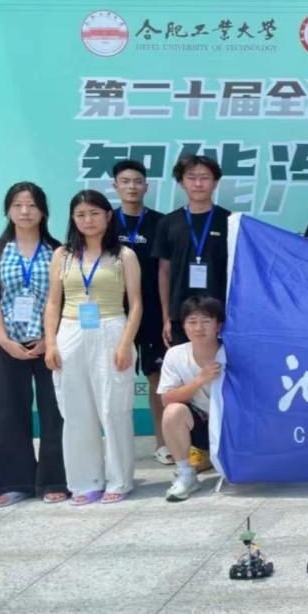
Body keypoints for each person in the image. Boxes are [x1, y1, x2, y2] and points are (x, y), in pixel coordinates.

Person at [43, 191, 141, 505]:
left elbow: (136, 304)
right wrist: (50, 343)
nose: (88, 220)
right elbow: (53, 302)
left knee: (114, 409)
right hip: (70, 332)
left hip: (111, 329)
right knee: (76, 413)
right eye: (81, 214)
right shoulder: (62, 255)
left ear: (108, 216)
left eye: (95, 213)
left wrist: (125, 343)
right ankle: (85, 482)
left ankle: (119, 480)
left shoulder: (124, 255)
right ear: (73, 219)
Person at [0, 182, 67, 506]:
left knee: (54, 411)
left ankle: (56, 480)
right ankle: (11, 482)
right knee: (6, 412)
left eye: (32, 205)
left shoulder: (58, 250)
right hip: (5, 343)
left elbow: (62, 298)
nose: (25, 211)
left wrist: (49, 339)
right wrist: (4, 339)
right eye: (17, 205)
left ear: (43, 211)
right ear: (7, 210)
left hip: (49, 342)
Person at [111, 159, 169, 465]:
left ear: (146, 187)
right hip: (114, 312)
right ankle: (116, 448)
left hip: (153, 312)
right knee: (112, 378)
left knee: (157, 379)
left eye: (137, 181)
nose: (131, 187)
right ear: (115, 186)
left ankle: (163, 443)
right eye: (125, 181)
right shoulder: (105, 222)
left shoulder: (161, 222)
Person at [152, 155, 230, 347]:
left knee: (218, 364)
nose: (198, 184)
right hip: (181, 316)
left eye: (204, 178)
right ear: (181, 183)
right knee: (182, 363)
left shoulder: (230, 220)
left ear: (215, 183)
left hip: (221, 317)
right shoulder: (168, 222)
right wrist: (166, 316)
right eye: (191, 177)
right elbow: (164, 272)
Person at [159, 295, 225, 502]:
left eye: (206, 321)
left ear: (219, 325)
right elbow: (167, 399)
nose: (198, 328)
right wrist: (200, 380)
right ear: (184, 326)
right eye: (192, 322)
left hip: (232, 425)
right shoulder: (175, 355)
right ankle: (185, 474)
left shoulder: (232, 352)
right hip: (202, 425)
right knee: (173, 412)